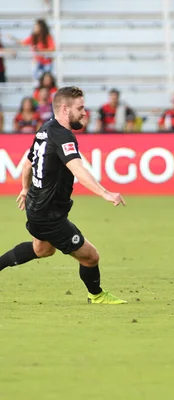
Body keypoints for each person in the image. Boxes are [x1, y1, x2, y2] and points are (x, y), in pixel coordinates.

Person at [0, 86, 127, 305]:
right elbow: (77, 168)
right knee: (90, 256)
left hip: (37, 206)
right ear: (65, 109)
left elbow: (29, 162)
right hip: (49, 215)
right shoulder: (62, 135)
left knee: (42, 249)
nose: (85, 113)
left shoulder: (45, 129)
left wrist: (24, 188)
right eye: (80, 108)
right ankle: (96, 295)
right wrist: (105, 194)